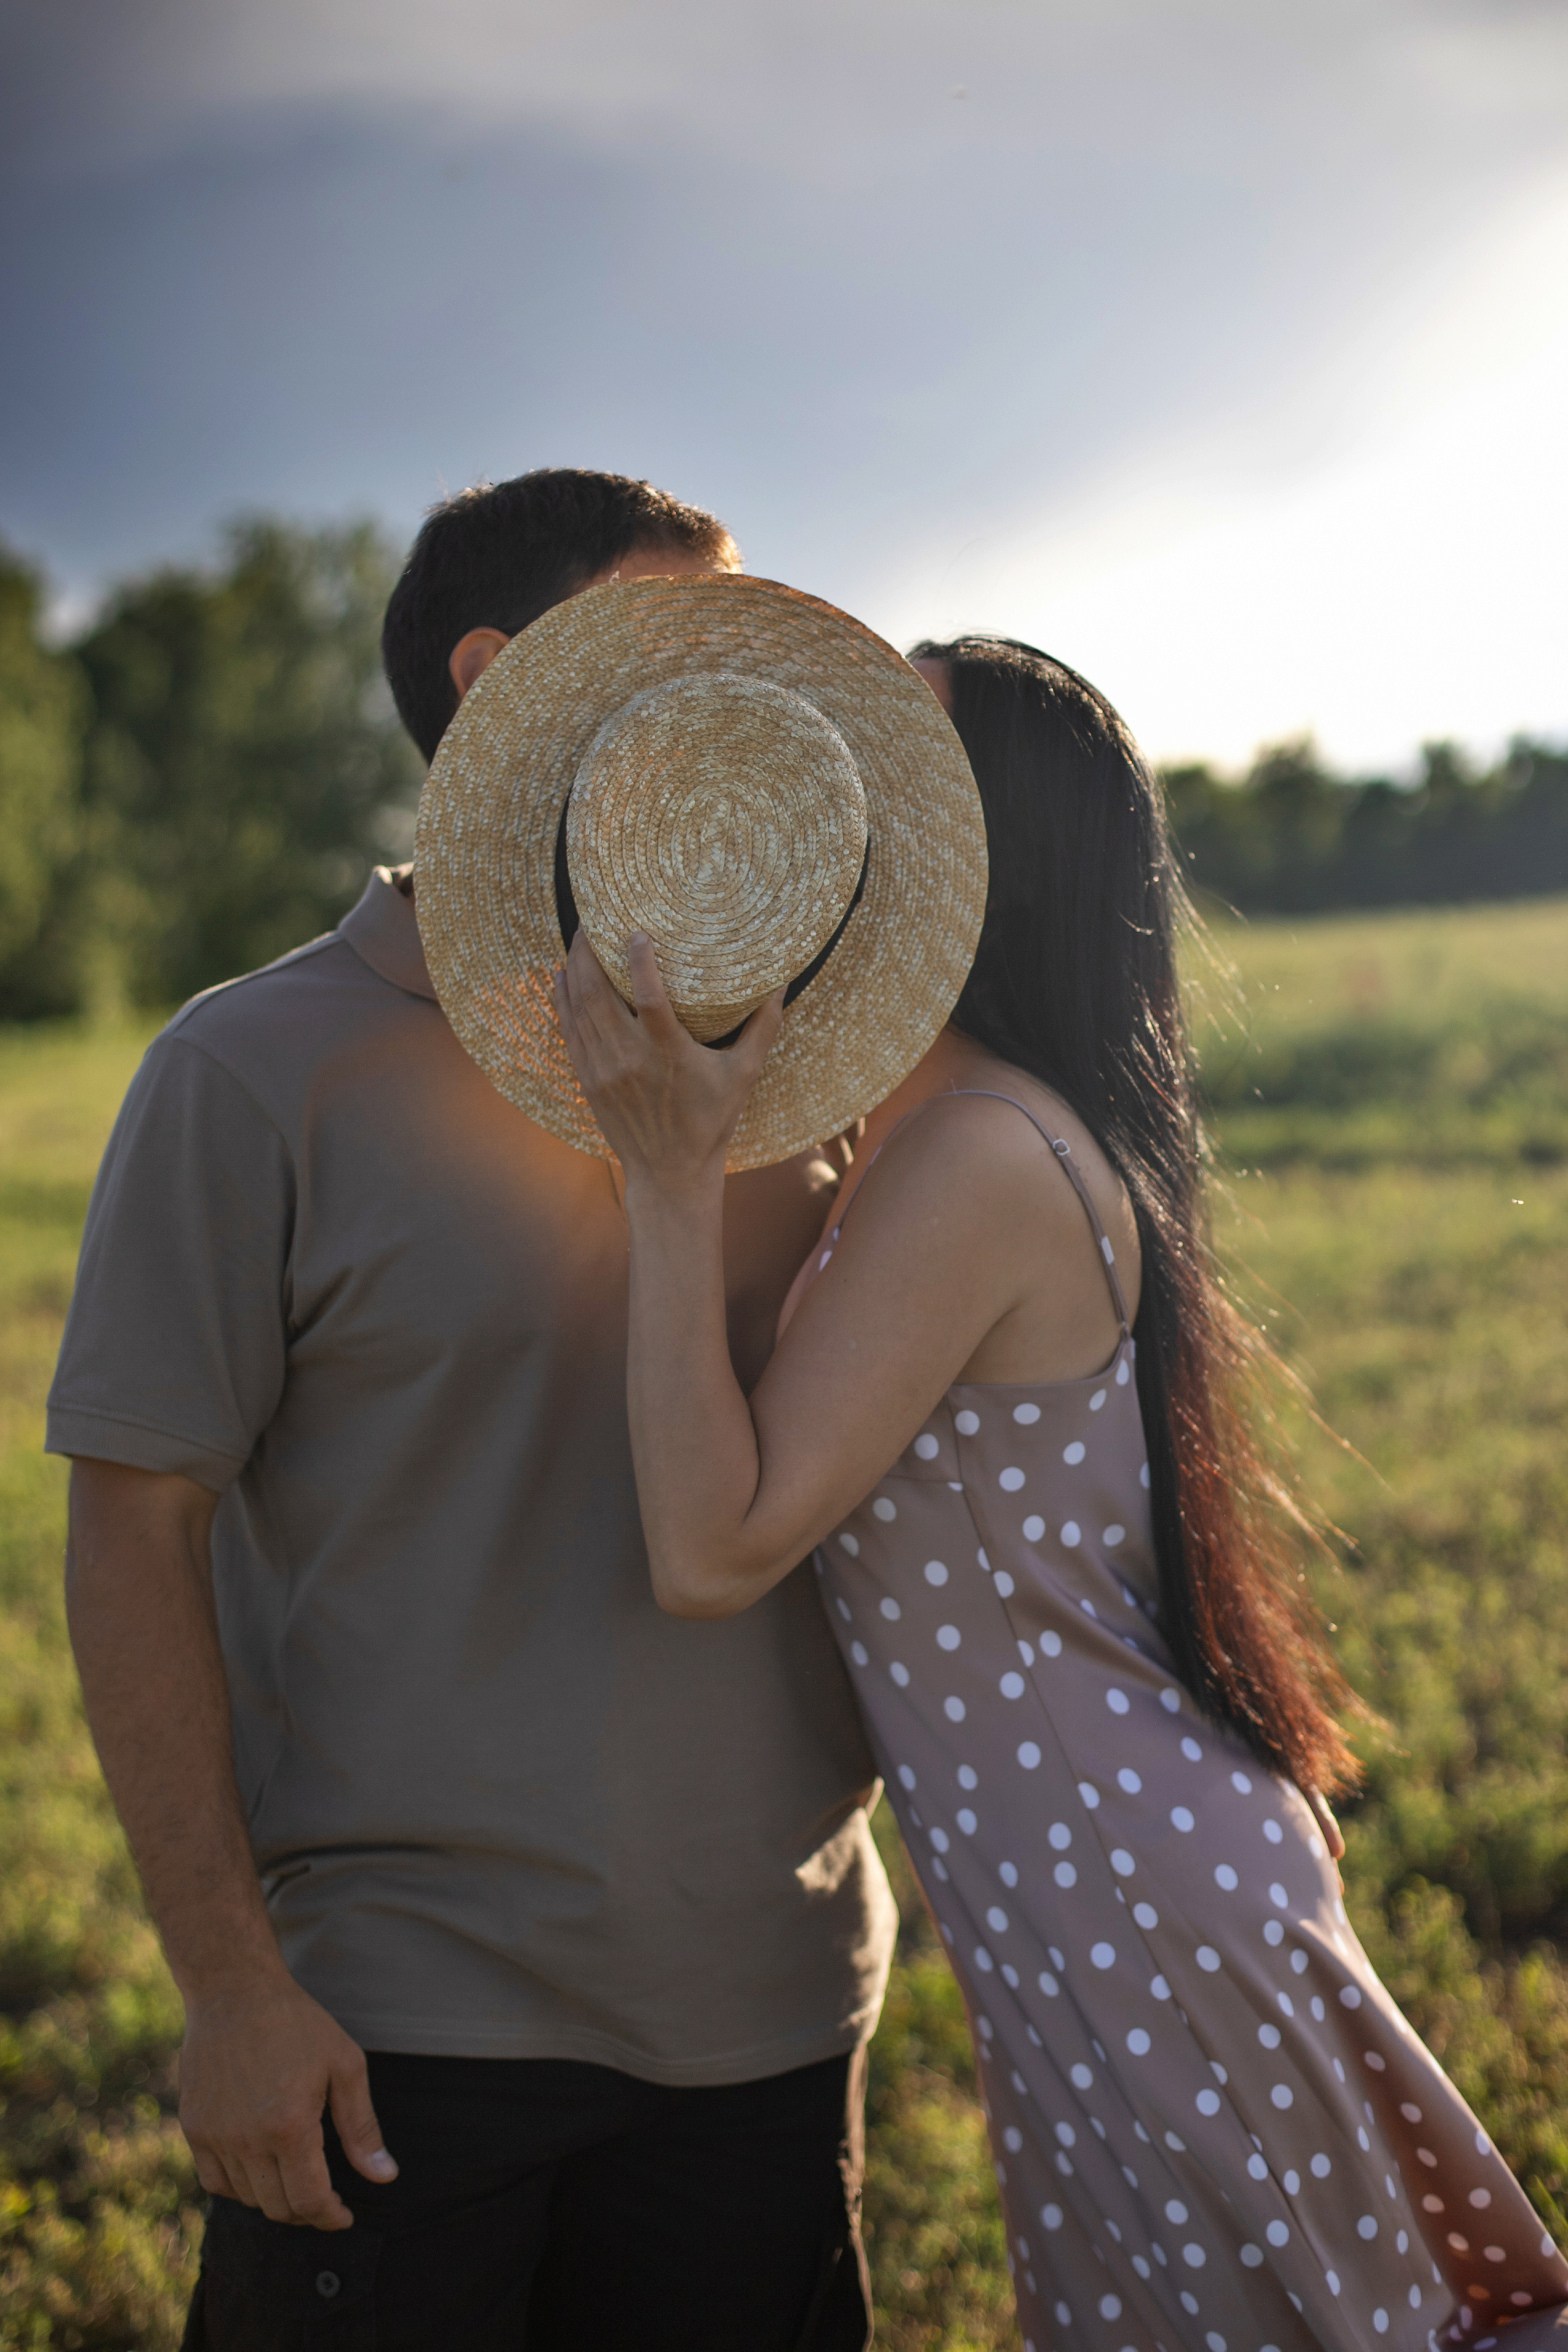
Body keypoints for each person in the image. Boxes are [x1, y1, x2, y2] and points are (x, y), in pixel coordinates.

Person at [554, 632, 1568, 2352]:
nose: (836, 795)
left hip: (1123, 1896)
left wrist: (667, 1175)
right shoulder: (949, 1134)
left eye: (889, 770)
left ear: (983, 853)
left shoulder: (974, 1159)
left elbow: (714, 1545)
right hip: (1094, 1887)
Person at [50, 470, 897, 2351]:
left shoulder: (809, 1059)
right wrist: (230, 1993)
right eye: (676, 643)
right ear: (502, 679)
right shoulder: (252, 1071)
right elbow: (132, 1534)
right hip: (393, 2040)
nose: (730, 695)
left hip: (767, 2015)